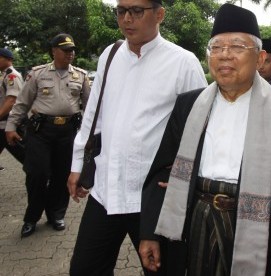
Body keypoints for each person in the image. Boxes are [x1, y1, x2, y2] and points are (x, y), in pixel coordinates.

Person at [139, 3, 271, 276]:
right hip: (193, 222)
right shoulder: (189, 105)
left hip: (259, 234)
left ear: (260, 58)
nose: (224, 56)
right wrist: (149, 232)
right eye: (216, 47)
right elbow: (162, 169)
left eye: (236, 47)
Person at [66, 0, 207, 274]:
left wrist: (184, 181)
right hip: (106, 190)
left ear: (160, 15)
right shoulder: (111, 54)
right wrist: (76, 165)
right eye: (121, 11)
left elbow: (199, 129)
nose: (127, 19)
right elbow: (94, 115)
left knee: (160, 270)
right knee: (84, 268)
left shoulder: (183, 63)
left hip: (152, 197)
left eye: (136, 11)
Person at [5, 33, 90, 238]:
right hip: (40, 132)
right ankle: (31, 217)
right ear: (54, 51)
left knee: (62, 176)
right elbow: (22, 103)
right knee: (37, 174)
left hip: (68, 132)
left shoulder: (81, 75)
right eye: (65, 50)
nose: (71, 54)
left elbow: (90, 108)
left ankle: (56, 215)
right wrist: (10, 127)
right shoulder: (38, 74)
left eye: (72, 50)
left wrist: (90, 136)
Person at [0, 48, 24, 167]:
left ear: (8, 59)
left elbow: (11, 101)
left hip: (9, 124)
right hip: (3, 124)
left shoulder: (12, 76)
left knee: (25, 157)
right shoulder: (4, 75)